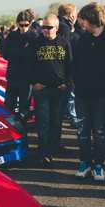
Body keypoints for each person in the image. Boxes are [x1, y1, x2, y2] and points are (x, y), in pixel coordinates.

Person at [73, 2, 105, 181]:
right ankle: (85, 162)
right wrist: (77, 85)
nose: (81, 23)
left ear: (92, 19)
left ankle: (98, 165)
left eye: (83, 19)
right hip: (82, 94)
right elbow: (76, 66)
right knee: (83, 131)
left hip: (104, 96)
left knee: (100, 132)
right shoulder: (83, 39)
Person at [27, 14, 73, 167]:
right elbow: (28, 65)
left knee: (56, 120)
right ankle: (44, 153)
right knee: (43, 122)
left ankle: (54, 147)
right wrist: (34, 82)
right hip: (42, 90)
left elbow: (70, 65)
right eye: (43, 27)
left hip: (59, 89)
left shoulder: (64, 42)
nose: (45, 30)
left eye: (49, 27)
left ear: (57, 28)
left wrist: (66, 83)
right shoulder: (36, 42)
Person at [3, 10, 37, 128]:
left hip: (27, 79)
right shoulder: (12, 35)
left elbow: (35, 58)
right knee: (8, 106)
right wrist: (22, 51)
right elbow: (5, 53)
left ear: (30, 23)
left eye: (26, 25)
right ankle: (8, 130)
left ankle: (22, 130)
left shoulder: (34, 36)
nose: (23, 28)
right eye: (21, 25)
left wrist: (18, 53)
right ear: (17, 23)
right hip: (13, 76)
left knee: (24, 108)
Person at [58, 3, 79, 134]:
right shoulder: (65, 27)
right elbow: (66, 49)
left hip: (57, 72)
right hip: (65, 72)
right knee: (68, 99)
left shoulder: (59, 25)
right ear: (71, 15)